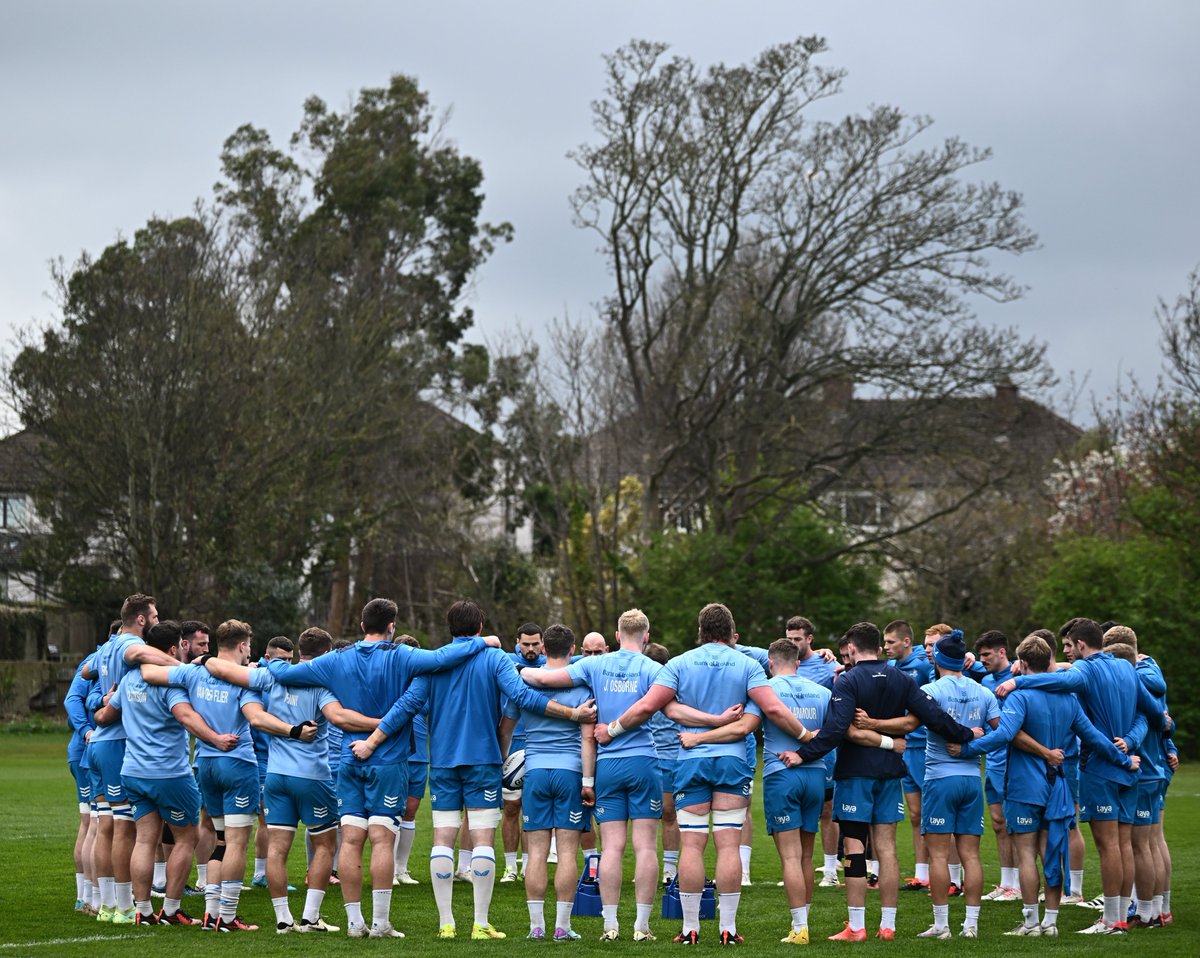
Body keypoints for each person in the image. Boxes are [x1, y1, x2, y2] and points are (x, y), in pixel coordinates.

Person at [256, 598, 495, 938]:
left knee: (351, 840)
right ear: (392, 627)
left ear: (361, 625)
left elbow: (289, 673)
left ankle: (355, 924)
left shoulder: (337, 659)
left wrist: (275, 666)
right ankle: (380, 923)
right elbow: (445, 657)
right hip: (388, 761)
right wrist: (484, 641)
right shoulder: (402, 655)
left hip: (350, 758)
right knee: (383, 840)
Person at [356, 599, 595, 941]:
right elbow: (524, 698)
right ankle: (480, 923)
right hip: (483, 760)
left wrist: (372, 741)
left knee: (443, 838)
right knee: (483, 839)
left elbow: (406, 705)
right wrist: (573, 714)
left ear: (450, 628)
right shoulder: (494, 658)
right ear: (480, 628)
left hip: (442, 761)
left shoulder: (436, 661)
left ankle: (446, 923)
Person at [595, 603, 812, 945]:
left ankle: (690, 928)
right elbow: (771, 708)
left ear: (700, 630)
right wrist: (805, 737)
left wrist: (613, 728)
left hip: (690, 760)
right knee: (728, 844)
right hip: (731, 761)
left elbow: (655, 705)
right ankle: (728, 928)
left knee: (692, 845)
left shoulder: (680, 663)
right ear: (731, 631)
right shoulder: (747, 664)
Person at [794, 622, 978, 943]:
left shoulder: (848, 680)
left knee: (854, 848)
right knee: (887, 848)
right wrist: (965, 735)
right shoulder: (901, 678)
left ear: (851, 648)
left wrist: (803, 754)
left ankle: (857, 927)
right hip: (892, 772)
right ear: (879, 648)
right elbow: (932, 715)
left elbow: (836, 730)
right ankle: (888, 926)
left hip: (855, 774)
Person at [201, 626, 381, 934]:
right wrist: (385, 723)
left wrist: (204, 660)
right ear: (325, 656)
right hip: (312, 777)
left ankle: (283, 920)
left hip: (275, 776)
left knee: (277, 849)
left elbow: (227, 671)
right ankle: (310, 917)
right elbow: (339, 718)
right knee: (325, 844)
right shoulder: (321, 685)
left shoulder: (272, 677)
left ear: (299, 653)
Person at [954, 633, 1137, 937]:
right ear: (1050, 659)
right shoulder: (1069, 699)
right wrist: (1125, 760)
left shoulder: (1020, 696)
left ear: (1022, 663)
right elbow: (1094, 738)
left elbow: (1003, 735)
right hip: (1059, 786)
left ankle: (1030, 922)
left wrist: (966, 749)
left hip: (1026, 785)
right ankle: (1051, 922)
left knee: (1026, 854)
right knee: (1052, 850)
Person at [994, 617, 1168, 934]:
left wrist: (1017, 682)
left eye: (1069, 647)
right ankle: (1123, 915)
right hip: (1129, 767)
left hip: (1101, 768)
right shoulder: (1128, 668)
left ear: (1082, 644)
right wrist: (1133, 739)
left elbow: (1057, 682)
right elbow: (1152, 713)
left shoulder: (1086, 670)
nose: (1068, 654)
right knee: (1125, 845)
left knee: (1109, 846)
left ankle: (1111, 919)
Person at [143, 618, 308, 932]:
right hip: (237, 764)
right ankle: (227, 917)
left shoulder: (194, 671)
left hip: (205, 763)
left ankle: (210, 914)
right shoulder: (245, 679)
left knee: (219, 840)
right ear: (244, 646)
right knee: (235, 843)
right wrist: (293, 731)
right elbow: (256, 719)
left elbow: (150, 672)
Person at [93, 620, 237, 926]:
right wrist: (215, 738)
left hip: (132, 770)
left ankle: (143, 910)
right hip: (169, 773)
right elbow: (186, 716)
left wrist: (96, 709)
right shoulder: (170, 683)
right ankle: (171, 910)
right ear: (173, 649)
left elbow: (105, 716)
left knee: (145, 839)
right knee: (187, 837)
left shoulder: (130, 678)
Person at [82, 594, 174, 923]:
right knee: (124, 829)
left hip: (100, 744)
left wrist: (100, 696)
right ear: (140, 620)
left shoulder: (106, 646)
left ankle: (105, 904)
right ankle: (123, 906)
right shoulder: (127, 646)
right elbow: (137, 653)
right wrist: (189, 670)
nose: (157, 620)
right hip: (117, 743)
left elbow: (86, 672)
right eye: (154, 615)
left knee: (104, 825)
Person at [911, 632, 999, 940]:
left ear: (938, 658)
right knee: (971, 855)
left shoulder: (930, 690)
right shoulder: (983, 691)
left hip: (940, 778)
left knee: (937, 855)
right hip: (972, 779)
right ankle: (971, 926)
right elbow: (1000, 735)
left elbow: (911, 724)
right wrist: (973, 743)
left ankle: (942, 925)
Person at [514, 624, 596, 941]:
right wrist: (588, 781)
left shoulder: (525, 684)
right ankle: (562, 926)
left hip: (534, 771)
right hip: (571, 773)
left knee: (535, 853)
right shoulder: (583, 689)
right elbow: (588, 739)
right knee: (566, 853)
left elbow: (506, 728)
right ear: (574, 649)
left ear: (543, 650)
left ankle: (537, 927)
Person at [786, 616, 840, 889]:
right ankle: (794, 868)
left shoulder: (827, 664)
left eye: (798, 639)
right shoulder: (781, 662)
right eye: (789, 638)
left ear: (810, 639)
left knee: (827, 810)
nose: (793, 644)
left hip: (822, 751)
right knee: (793, 810)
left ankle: (830, 869)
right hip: (787, 751)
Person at [882, 620, 935, 894]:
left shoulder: (924, 665)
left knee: (934, 813)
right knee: (915, 814)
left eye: (890, 642)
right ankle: (921, 874)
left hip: (924, 746)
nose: (885, 647)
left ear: (905, 642)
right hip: (901, 747)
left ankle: (952, 877)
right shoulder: (889, 668)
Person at [974, 630, 1020, 902]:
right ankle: (1006, 883)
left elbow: (1061, 670)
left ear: (1002, 652)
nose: (983, 660)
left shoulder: (1020, 676)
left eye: (987, 654)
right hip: (992, 761)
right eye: (980, 655)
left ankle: (1021, 883)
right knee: (998, 822)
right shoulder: (986, 679)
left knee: (1017, 824)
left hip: (1013, 762)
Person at [501, 623, 545, 882]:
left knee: (532, 808)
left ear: (542, 644)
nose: (530, 649)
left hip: (539, 745)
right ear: (517, 642)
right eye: (525, 644)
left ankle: (529, 866)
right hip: (513, 743)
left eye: (535, 644)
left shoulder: (551, 664)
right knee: (510, 808)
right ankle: (510, 867)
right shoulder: (505, 662)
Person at [643, 642, 680, 886]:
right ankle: (647, 869)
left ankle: (669, 869)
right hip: (646, 757)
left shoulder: (676, 690)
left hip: (670, 758)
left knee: (668, 812)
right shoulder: (640, 689)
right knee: (645, 817)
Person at [394, 634, 427, 886]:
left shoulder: (425, 682)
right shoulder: (389, 680)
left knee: (411, 812)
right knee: (391, 811)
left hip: (420, 756)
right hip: (395, 753)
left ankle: (401, 869)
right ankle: (388, 870)